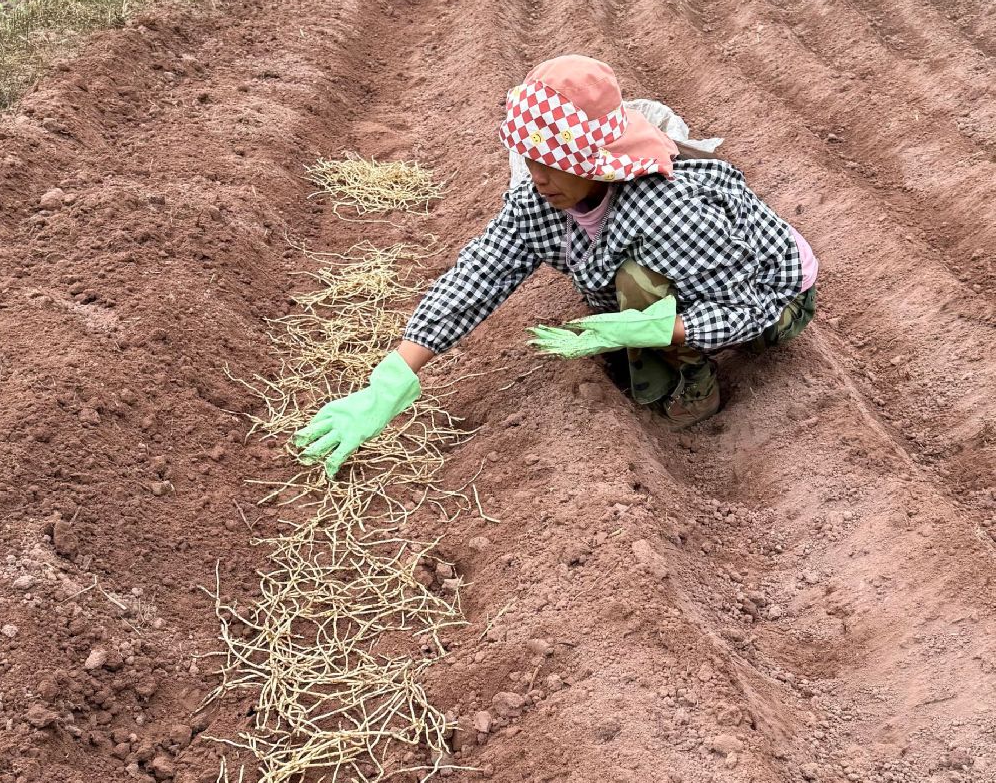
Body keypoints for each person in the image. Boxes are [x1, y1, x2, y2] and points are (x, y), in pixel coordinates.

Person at [296, 55, 819, 476]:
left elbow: (744, 304)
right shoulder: (536, 203)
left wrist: (652, 325)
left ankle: (694, 380)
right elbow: (478, 276)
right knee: (624, 287)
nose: (539, 176)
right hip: (705, 286)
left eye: (554, 162)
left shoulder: (662, 208)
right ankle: (652, 339)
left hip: (771, 299)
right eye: (530, 159)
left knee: (638, 283)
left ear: (593, 160)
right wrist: (388, 381)